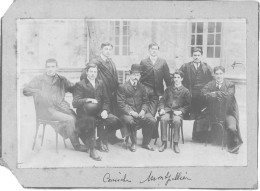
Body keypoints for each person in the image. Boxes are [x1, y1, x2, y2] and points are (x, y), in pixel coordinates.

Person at [23, 58, 88, 152]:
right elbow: (25, 90)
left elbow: (74, 88)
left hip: (61, 108)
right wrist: (39, 92)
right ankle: (77, 145)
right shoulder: (39, 79)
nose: (50, 69)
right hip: (46, 111)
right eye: (48, 67)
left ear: (56, 68)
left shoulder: (61, 79)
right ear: (45, 68)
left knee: (76, 118)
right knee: (70, 119)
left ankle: (89, 143)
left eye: (53, 67)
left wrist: (84, 85)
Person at [73, 63, 122, 160]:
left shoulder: (100, 83)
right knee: (92, 122)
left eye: (95, 72)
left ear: (97, 73)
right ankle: (92, 150)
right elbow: (75, 103)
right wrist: (87, 99)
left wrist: (105, 110)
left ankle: (100, 140)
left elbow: (106, 100)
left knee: (115, 121)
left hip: (99, 111)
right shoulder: (80, 84)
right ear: (86, 72)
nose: (93, 74)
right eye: (91, 71)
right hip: (85, 113)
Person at [80, 42, 123, 144]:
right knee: (101, 116)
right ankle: (101, 139)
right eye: (106, 49)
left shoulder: (111, 62)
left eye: (109, 49)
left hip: (111, 93)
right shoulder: (95, 61)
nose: (108, 51)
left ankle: (112, 137)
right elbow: (84, 75)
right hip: (100, 92)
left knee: (112, 114)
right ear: (101, 50)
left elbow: (115, 77)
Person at [200, 66, 243, 154]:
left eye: (220, 74)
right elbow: (203, 93)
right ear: (214, 74)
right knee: (199, 122)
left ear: (224, 74)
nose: (218, 76)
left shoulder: (230, 84)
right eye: (216, 74)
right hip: (214, 113)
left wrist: (215, 93)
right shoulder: (210, 84)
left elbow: (229, 95)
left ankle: (233, 146)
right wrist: (212, 95)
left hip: (228, 112)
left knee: (231, 127)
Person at [117, 64, 156, 152]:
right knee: (131, 121)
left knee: (152, 120)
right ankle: (133, 143)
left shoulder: (142, 87)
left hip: (140, 112)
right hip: (127, 114)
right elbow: (121, 104)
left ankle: (146, 143)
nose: (136, 77)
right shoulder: (122, 87)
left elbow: (146, 102)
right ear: (130, 75)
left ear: (140, 76)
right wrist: (131, 112)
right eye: (134, 75)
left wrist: (143, 111)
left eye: (138, 75)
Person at [158, 71, 191, 153]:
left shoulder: (185, 91)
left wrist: (180, 112)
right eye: (175, 77)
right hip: (167, 110)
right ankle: (164, 142)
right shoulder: (168, 89)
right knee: (163, 119)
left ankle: (175, 143)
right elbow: (162, 100)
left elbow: (188, 105)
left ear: (182, 79)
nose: (176, 79)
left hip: (178, 111)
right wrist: (161, 109)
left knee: (176, 121)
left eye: (178, 77)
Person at [179, 47, 213, 120]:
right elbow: (178, 76)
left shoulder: (206, 67)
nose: (196, 57)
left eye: (198, 55)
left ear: (201, 56)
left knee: (200, 114)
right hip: (189, 93)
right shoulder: (185, 66)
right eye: (195, 55)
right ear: (192, 56)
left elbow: (212, 79)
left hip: (202, 94)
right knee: (189, 114)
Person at [139, 42, 171, 117]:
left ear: (158, 51)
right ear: (149, 50)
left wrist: (169, 91)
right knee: (144, 110)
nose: (154, 51)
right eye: (152, 49)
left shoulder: (163, 62)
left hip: (157, 92)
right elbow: (139, 77)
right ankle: (147, 127)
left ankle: (154, 128)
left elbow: (167, 78)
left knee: (154, 112)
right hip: (145, 91)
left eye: (156, 49)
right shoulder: (143, 62)